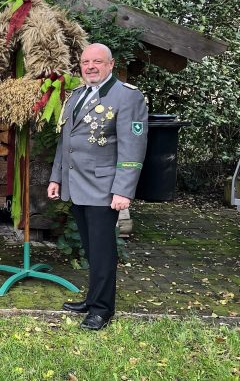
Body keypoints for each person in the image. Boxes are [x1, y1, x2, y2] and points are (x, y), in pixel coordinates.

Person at [48, 43, 148, 330]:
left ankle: (102, 309)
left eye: (97, 62)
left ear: (111, 64)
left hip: (105, 188)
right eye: (85, 62)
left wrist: (123, 190)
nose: (90, 66)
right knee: (91, 248)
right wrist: (56, 177)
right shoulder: (77, 96)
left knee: (103, 250)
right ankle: (93, 299)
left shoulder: (127, 97)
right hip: (77, 185)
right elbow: (65, 143)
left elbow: (133, 147)